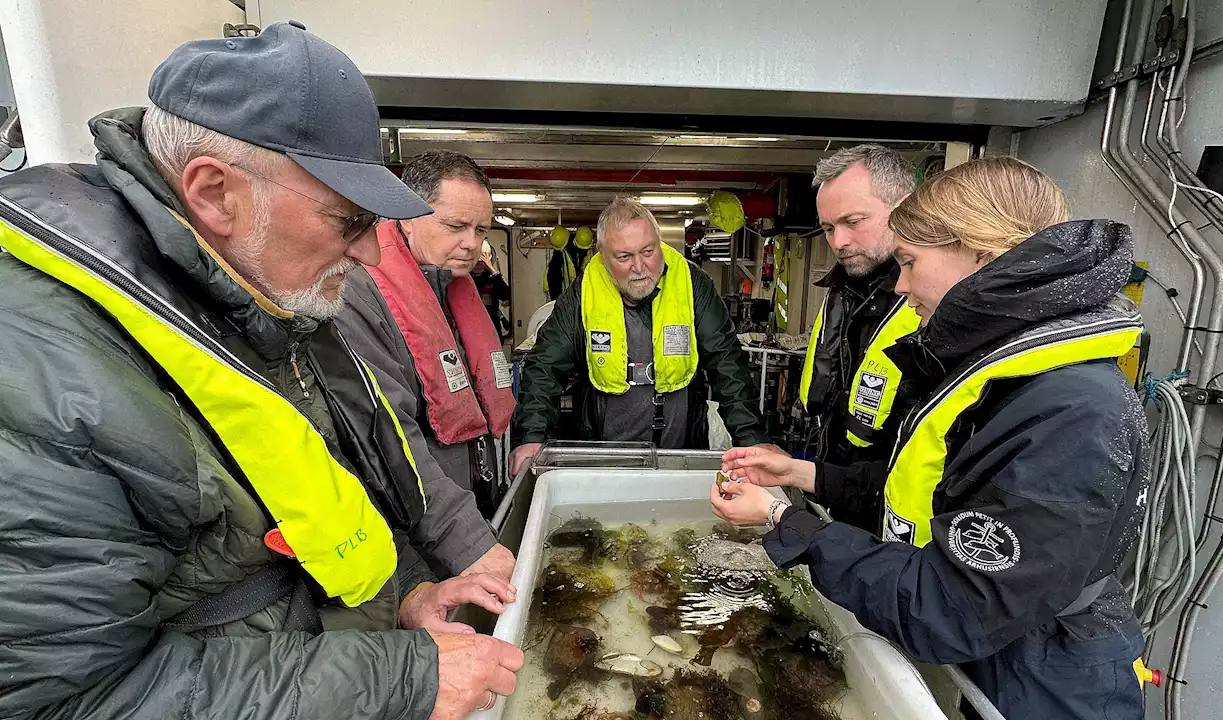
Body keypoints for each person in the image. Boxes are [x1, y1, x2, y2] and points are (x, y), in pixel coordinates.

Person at [0, 23, 521, 720]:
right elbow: (64, 700)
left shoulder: (265, 299)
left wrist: (402, 603)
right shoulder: (43, 369)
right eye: (347, 220)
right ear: (214, 192)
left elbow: (314, 504)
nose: (371, 254)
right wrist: (401, 679)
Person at [712, 157, 1149, 720]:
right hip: (996, 657)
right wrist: (803, 475)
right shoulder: (1009, 375)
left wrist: (783, 522)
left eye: (912, 262)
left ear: (980, 255)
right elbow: (933, 494)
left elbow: (950, 608)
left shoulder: (1071, 413)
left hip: (1042, 684)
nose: (900, 284)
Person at [510, 197, 774, 473]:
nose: (639, 267)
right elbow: (544, 368)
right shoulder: (583, 294)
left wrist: (752, 441)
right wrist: (530, 438)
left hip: (680, 461)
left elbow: (727, 363)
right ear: (602, 255)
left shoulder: (692, 285)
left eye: (648, 252)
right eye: (624, 257)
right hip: (603, 466)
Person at [339, 151, 515, 520]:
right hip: (425, 525)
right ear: (408, 217)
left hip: (477, 504)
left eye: (481, 229)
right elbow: (385, 441)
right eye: (456, 226)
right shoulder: (360, 296)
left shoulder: (456, 286)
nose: (473, 244)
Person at [800, 146, 920, 505]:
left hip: (887, 518)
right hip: (834, 496)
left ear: (905, 207)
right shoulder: (846, 289)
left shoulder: (934, 303)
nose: (839, 242)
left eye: (853, 222)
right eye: (828, 228)